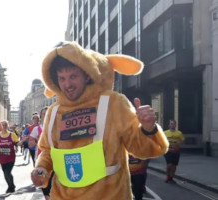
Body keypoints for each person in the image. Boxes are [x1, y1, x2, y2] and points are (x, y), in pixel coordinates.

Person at [30, 41, 168, 199]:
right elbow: (47, 152)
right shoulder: (53, 112)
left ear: (87, 74)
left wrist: (148, 128)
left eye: (73, 76)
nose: (67, 84)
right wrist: (41, 170)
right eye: (62, 78)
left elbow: (142, 150)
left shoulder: (114, 103)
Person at [0, 121, 19, 193]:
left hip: (11, 158)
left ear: (7, 126)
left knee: (8, 172)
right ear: (0, 126)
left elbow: (18, 143)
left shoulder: (12, 135)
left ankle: (10, 187)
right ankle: (12, 185)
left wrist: (23, 141)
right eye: (2, 125)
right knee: (5, 173)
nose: (4, 126)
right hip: (2, 158)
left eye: (5, 125)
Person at [164, 119, 185, 184]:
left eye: (173, 124)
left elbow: (183, 141)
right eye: (171, 124)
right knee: (169, 165)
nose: (172, 125)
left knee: (174, 166)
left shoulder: (179, 133)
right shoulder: (165, 132)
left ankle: (171, 178)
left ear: (175, 125)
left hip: (176, 151)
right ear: (169, 125)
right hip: (168, 151)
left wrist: (180, 142)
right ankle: (168, 176)